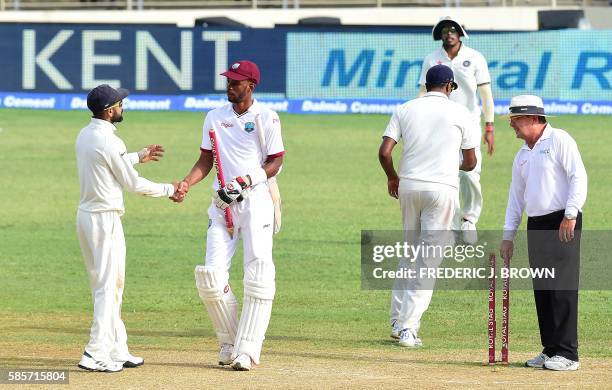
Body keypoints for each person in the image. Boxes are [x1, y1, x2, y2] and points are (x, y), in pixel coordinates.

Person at [171, 60, 284, 371]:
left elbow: (276, 162)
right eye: (228, 81)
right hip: (221, 203)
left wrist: (247, 181)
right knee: (210, 279)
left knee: (258, 275)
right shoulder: (214, 117)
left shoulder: (266, 117)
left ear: (251, 85)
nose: (229, 87)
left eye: (236, 82)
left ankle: (247, 351)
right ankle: (231, 342)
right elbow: (206, 158)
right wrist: (187, 182)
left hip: (256, 201)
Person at [75, 84, 177, 372]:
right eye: (119, 104)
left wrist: (137, 156)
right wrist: (170, 189)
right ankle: (95, 353)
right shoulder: (110, 142)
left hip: (86, 217)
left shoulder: (86, 134)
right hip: (104, 220)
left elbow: (107, 164)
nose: (123, 107)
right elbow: (132, 183)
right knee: (109, 288)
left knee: (108, 287)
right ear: (110, 111)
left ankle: (117, 349)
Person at [379, 64, 477, 347]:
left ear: (426, 85)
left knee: (410, 253)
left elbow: (385, 152)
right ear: (449, 86)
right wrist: (449, 163)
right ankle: (409, 328)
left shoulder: (405, 108)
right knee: (428, 261)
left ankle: (398, 321)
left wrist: (392, 178)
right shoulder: (462, 113)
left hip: (408, 186)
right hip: (442, 189)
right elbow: (470, 163)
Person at [500, 95, 587, 371]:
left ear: (533, 118)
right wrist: (508, 235)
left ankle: (568, 354)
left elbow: (578, 177)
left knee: (562, 286)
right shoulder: (522, 155)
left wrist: (570, 213)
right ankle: (551, 349)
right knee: (543, 287)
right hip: (536, 224)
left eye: (516, 119)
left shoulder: (560, 139)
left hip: (562, 221)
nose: (511, 125)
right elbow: (516, 198)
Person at [418, 16, 495, 240]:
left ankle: (469, 220)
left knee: (470, 174)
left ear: (460, 33)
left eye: (453, 30)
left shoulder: (475, 57)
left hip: (469, 123)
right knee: (445, 176)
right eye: (444, 31)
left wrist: (489, 127)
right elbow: (424, 92)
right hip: (440, 126)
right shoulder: (432, 59)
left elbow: (486, 96)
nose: (449, 34)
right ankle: (450, 226)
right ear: (439, 35)